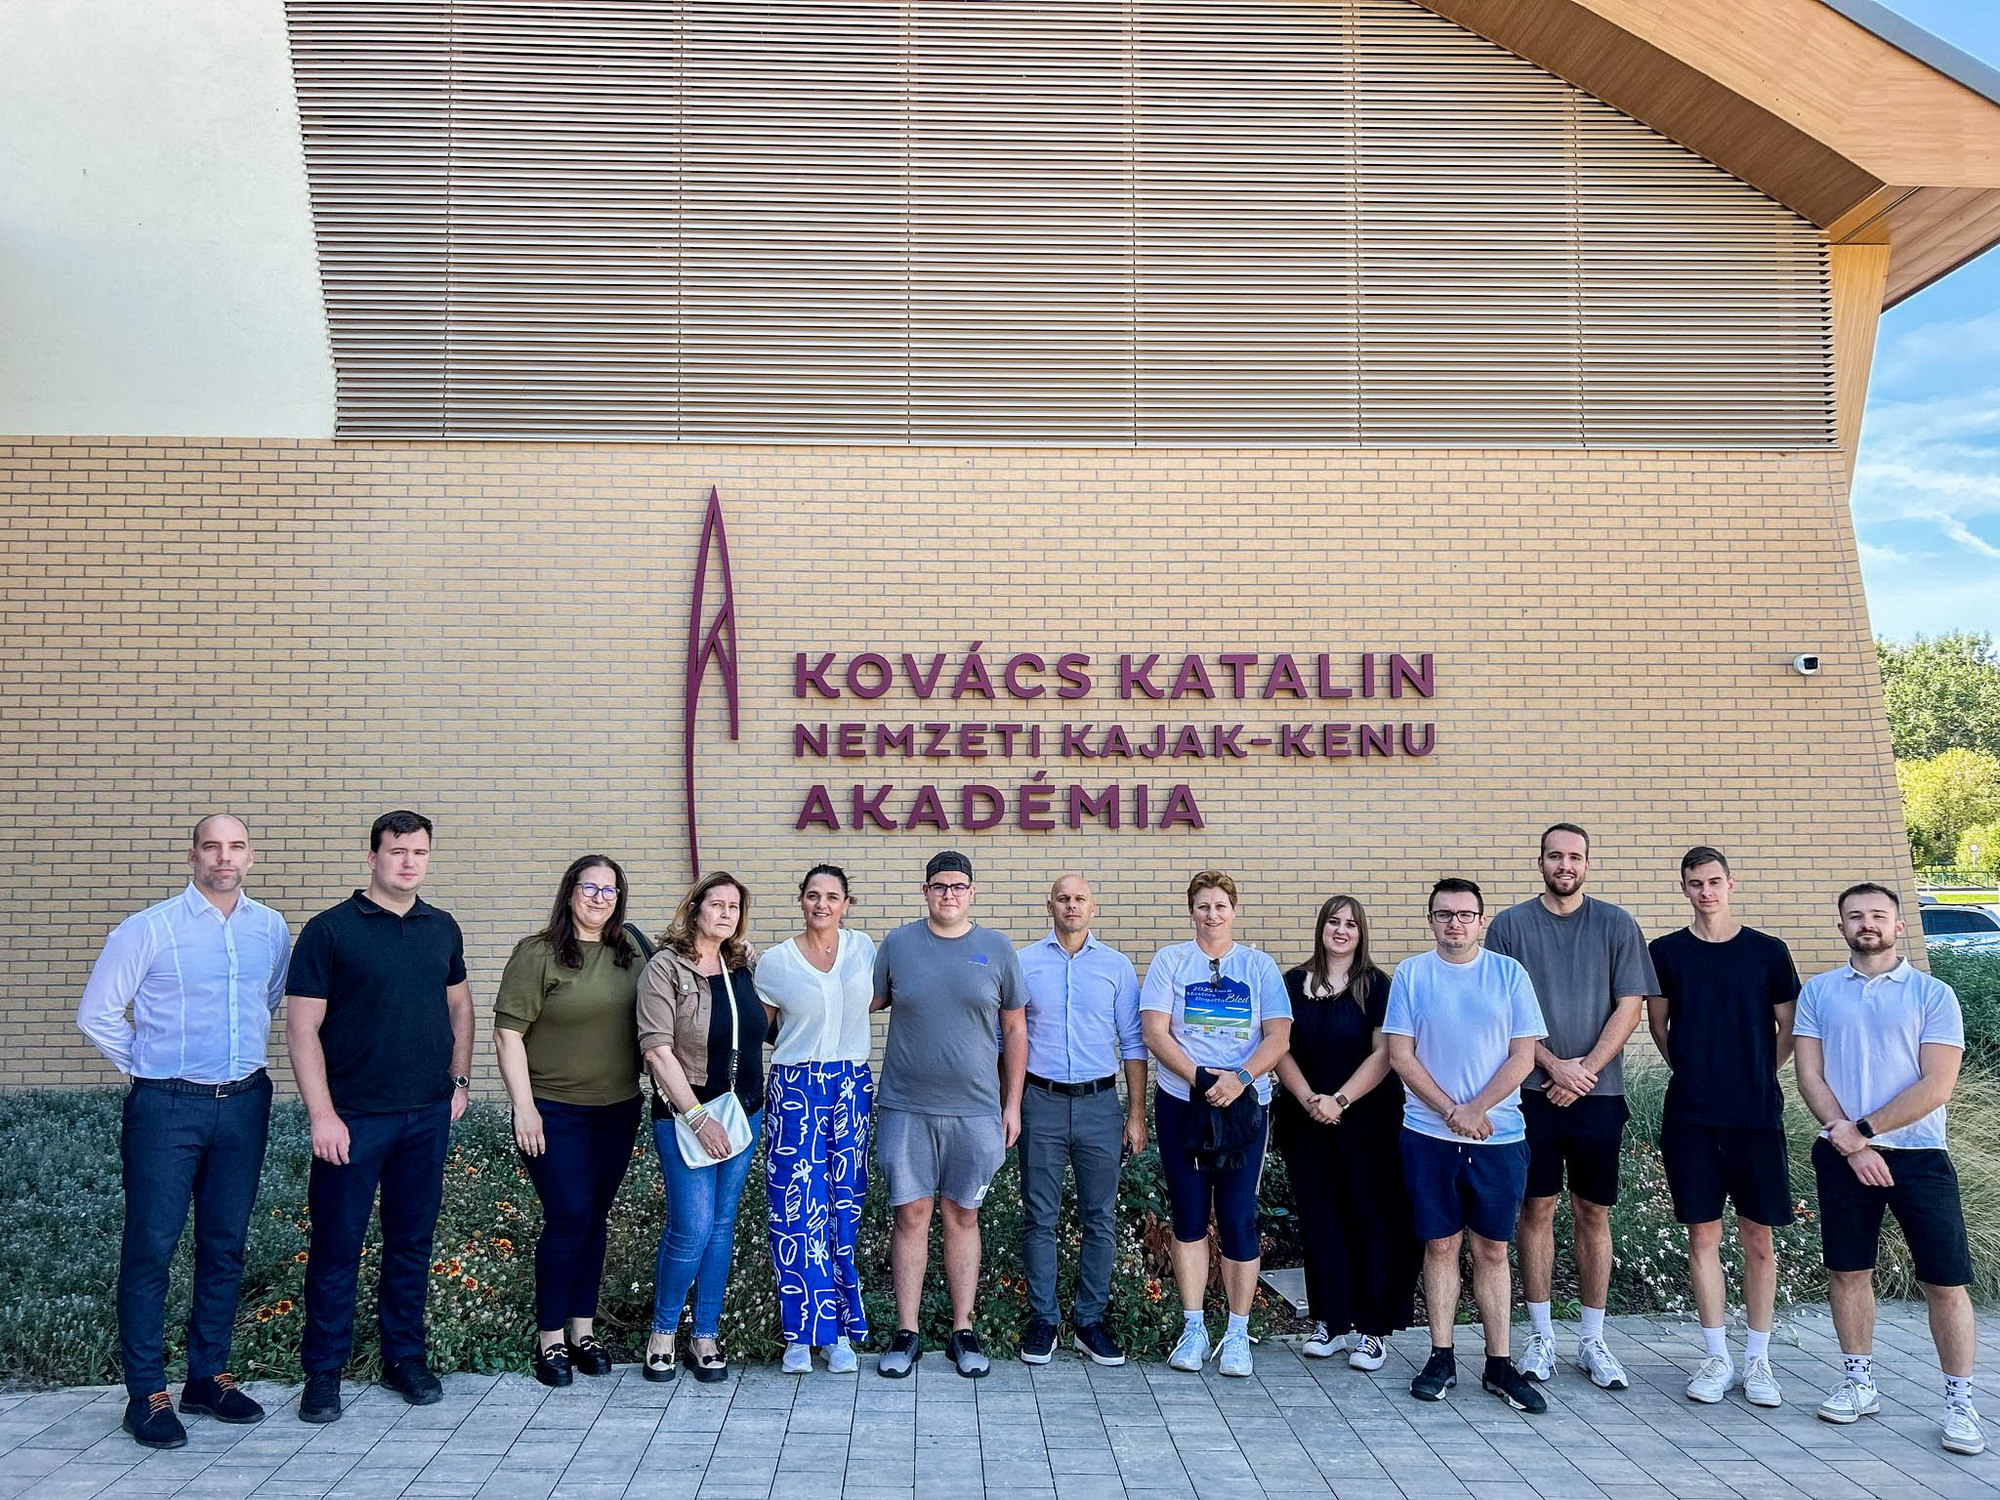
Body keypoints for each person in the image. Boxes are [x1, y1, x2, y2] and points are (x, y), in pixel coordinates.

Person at [77, 815, 292, 1450]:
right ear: (192, 855)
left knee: (225, 1243)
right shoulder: (149, 929)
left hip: (244, 1102)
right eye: (212, 846)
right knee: (152, 1246)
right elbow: (97, 1013)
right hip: (166, 1107)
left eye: (236, 846)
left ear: (251, 857)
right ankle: (145, 1393)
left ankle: (207, 1377)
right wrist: (149, 1065)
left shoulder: (270, 928)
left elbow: (266, 1000)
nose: (224, 857)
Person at [287, 810, 473, 1424]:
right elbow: (302, 1029)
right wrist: (322, 1114)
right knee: (336, 1246)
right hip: (353, 1119)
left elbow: (460, 1008)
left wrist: (458, 1082)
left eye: (419, 851)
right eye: (397, 851)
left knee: (411, 1244)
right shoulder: (330, 930)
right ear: (373, 857)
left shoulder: (441, 927)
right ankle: (323, 1373)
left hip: (425, 1116)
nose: (409, 862)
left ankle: (404, 1358)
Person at [1794, 882, 1982, 1456]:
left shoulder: (1933, 994)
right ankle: (1859, 1383)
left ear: (1899, 926)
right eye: (1855, 916)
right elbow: (1809, 1076)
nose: (1867, 924)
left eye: (1878, 915)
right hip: (1843, 1154)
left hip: (1920, 1156)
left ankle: (1960, 1403)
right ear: (1842, 927)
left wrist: (1866, 1131)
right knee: (1849, 1272)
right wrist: (1850, 1142)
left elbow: (1937, 1085)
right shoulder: (1819, 991)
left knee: (1944, 1281)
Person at [1484, 823, 1655, 1391]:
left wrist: (1584, 1072)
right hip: (1529, 1095)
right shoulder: (1510, 927)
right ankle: (1541, 1337)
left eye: (1575, 856)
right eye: (1555, 856)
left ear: (1587, 863)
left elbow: (1629, 1007)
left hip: (1598, 1096)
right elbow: (1502, 1012)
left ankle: (1593, 1339)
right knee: (1535, 1210)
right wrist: (1555, 1067)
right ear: (1540, 862)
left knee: (1592, 1212)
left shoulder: (1617, 924)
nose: (1565, 865)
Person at [1384, 877, 1547, 1414]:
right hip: (1428, 1136)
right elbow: (1401, 1055)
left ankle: (1499, 1364)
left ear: (1481, 921)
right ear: (1431, 920)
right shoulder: (1413, 974)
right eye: (1444, 914)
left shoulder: (1509, 974)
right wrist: (1451, 1110)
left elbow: (1523, 1055)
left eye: (1464, 914)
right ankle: (1442, 1357)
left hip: (1499, 1137)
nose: (1454, 923)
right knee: (1440, 1246)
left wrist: (1477, 1109)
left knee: (1493, 1249)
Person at [1646, 846, 1798, 1408]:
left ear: (1730, 884)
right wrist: (1694, 1070)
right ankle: (1716, 1356)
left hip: (1755, 1114)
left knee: (1759, 1238)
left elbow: (1789, 1026)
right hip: (1691, 1114)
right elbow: (1659, 1025)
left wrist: (1757, 1073)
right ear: (1684, 889)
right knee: (1702, 1235)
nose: (1706, 892)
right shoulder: (1666, 952)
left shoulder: (1767, 951)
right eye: (1695, 883)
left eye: (1714, 882)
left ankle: (1758, 1360)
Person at [870, 850, 1027, 1379]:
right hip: (905, 1106)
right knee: (910, 1216)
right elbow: (860, 1002)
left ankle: (963, 1330)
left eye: (959, 886)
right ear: (926, 891)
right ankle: (907, 1332)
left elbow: (1015, 1030)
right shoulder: (897, 945)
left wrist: (1012, 1103)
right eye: (939, 886)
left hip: (976, 1111)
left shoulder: (997, 949)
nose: (949, 894)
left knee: (963, 1215)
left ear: (972, 892)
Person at [493, 855, 646, 1388]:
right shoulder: (537, 953)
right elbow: (508, 1034)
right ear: (570, 891)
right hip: (554, 1110)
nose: (599, 898)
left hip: (619, 1108)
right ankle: (550, 1337)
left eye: (610, 890)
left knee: (594, 1217)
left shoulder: (632, 951)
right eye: (590, 887)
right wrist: (524, 1106)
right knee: (569, 1215)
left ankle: (583, 1331)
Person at [1141, 869, 1292, 1379]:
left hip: (1244, 1106)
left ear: (1234, 910)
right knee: (1187, 1216)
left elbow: (1278, 1037)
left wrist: (1240, 1078)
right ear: (1192, 912)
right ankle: (1193, 1327)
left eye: (1220, 906)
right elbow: (1155, 1032)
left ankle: (1237, 1332)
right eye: (1203, 906)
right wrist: (1202, 1078)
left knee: (1237, 1217)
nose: (1212, 915)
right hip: (1183, 1101)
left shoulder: (1258, 966)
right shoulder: (1171, 961)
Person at [1272, 895, 1418, 1373]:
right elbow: (1277, 1045)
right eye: (1333, 922)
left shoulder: (1376, 985)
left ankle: (1373, 1329)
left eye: (1351, 924)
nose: (1340, 930)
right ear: (1321, 927)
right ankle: (1329, 1321)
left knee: (1371, 1218)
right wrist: (1309, 1099)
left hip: (1367, 1120)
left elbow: (1384, 1053)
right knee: (1320, 1219)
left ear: (1361, 933)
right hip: (1305, 1118)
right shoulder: (1292, 983)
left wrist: (1339, 1100)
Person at [636, 871, 767, 1384]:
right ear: (694, 909)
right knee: (691, 1227)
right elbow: (656, 1050)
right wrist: (697, 1116)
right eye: (717, 904)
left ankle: (705, 1335)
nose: (726, 913)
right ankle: (663, 1332)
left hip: (743, 1112)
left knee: (720, 1226)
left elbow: (766, 1027)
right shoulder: (665, 968)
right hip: (687, 1116)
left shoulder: (743, 966)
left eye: (734, 907)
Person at [1015, 874, 1148, 1367]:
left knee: (1100, 1218)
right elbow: (1008, 1039)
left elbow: (1133, 1044)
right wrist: (1009, 1104)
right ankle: (1044, 1320)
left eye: (1080, 899)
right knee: (1039, 1217)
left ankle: (1090, 1323)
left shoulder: (1116, 967)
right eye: (1063, 899)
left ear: (1093, 908)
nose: (1071, 906)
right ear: (1049, 905)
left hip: (1099, 1104)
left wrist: (1136, 1114)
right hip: (1040, 1102)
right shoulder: (1024, 963)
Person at [757, 864, 877, 1374]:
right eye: (812, 895)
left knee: (843, 1208)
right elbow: (760, 1030)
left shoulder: (864, 949)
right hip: (795, 1088)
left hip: (851, 1086)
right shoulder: (775, 962)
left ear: (846, 903)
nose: (821, 904)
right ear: (801, 901)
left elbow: (880, 998)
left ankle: (842, 1333)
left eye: (831, 896)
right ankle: (800, 1336)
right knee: (796, 1213)